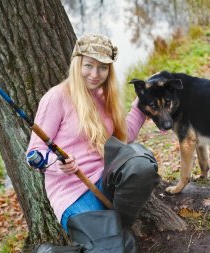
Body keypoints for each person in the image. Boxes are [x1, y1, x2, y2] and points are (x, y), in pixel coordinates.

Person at [27, 33, 160, 252]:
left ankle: (118, 226)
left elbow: (121, 139)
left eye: (103, 68)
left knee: (141, 165)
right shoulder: (57, 97)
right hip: (73, 192)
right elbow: (34, 154)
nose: (95, 74)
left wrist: (141, 103)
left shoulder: (104, 95)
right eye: (89, 65)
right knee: (114, 250)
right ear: (77, 63)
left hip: (106, 178)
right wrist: (57, 164)